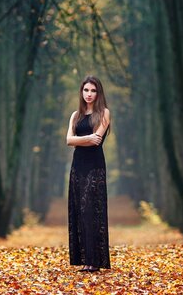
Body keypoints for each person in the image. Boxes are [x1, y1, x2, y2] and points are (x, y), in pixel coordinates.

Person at [66, 75, 111, 273]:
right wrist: (85, 138)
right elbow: (68, 140)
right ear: (81, 92)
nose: (89, 94)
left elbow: (97, 140)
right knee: (79, 210)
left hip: (95, 167)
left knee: (91, 210)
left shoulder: (104, 113)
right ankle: (85, 260)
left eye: (93, 90)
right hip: (78, 167)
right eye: (86, 90)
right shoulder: (75, 115)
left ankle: (95, 261)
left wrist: (79, 139)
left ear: (98, 93)